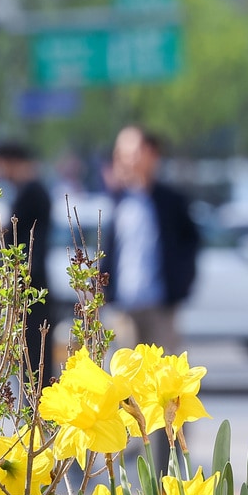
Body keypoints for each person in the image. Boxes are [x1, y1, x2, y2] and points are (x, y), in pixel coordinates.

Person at [104, 126, 201, 355]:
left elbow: (190, 245)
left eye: (132, 151)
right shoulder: (117, 201)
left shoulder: (171, 201)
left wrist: (180, 286)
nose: (126, 159)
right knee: (125, 380)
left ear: (151, 154)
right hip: (124, 306)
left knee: (163, 377)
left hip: (160, 305)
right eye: (121, 153)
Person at [0, 143, 56, 382]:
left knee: (33, 352)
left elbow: (28, 243)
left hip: (30, 282)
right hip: (28, 280)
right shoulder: (29, 191)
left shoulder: (32, 192)